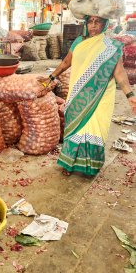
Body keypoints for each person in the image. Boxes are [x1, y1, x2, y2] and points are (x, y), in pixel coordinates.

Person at [47, 15, 136, 176]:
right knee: (75, 128)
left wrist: (130, 95)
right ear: (86, 23)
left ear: (105, 24)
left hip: (101, 95)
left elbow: (120, 73)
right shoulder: (79, 42)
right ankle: (69, 163)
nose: (93, 25)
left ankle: (90, 166)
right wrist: (51, 77)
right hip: (78, 95)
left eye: (98, 22)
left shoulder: (111, 46)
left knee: (96, 128)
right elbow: (66, 62)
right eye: (90, 21)